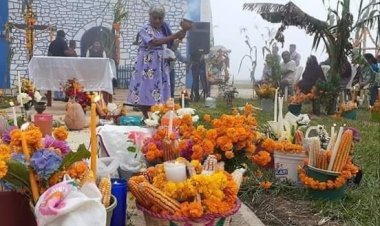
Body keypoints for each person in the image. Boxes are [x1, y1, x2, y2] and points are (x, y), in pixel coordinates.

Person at [126, 5, 186, 118]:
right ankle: (145, 116)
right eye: (155, 18)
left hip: (160, 63)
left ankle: (157, 115)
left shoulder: (164, 28)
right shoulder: (145, 28)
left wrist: (180, 36)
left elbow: (171, 44)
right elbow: (155, 42)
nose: (157, 20)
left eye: (160, 18)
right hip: (147, 64)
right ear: (150, 17)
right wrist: (174, 36)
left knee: (159, 88)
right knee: (145, 87)